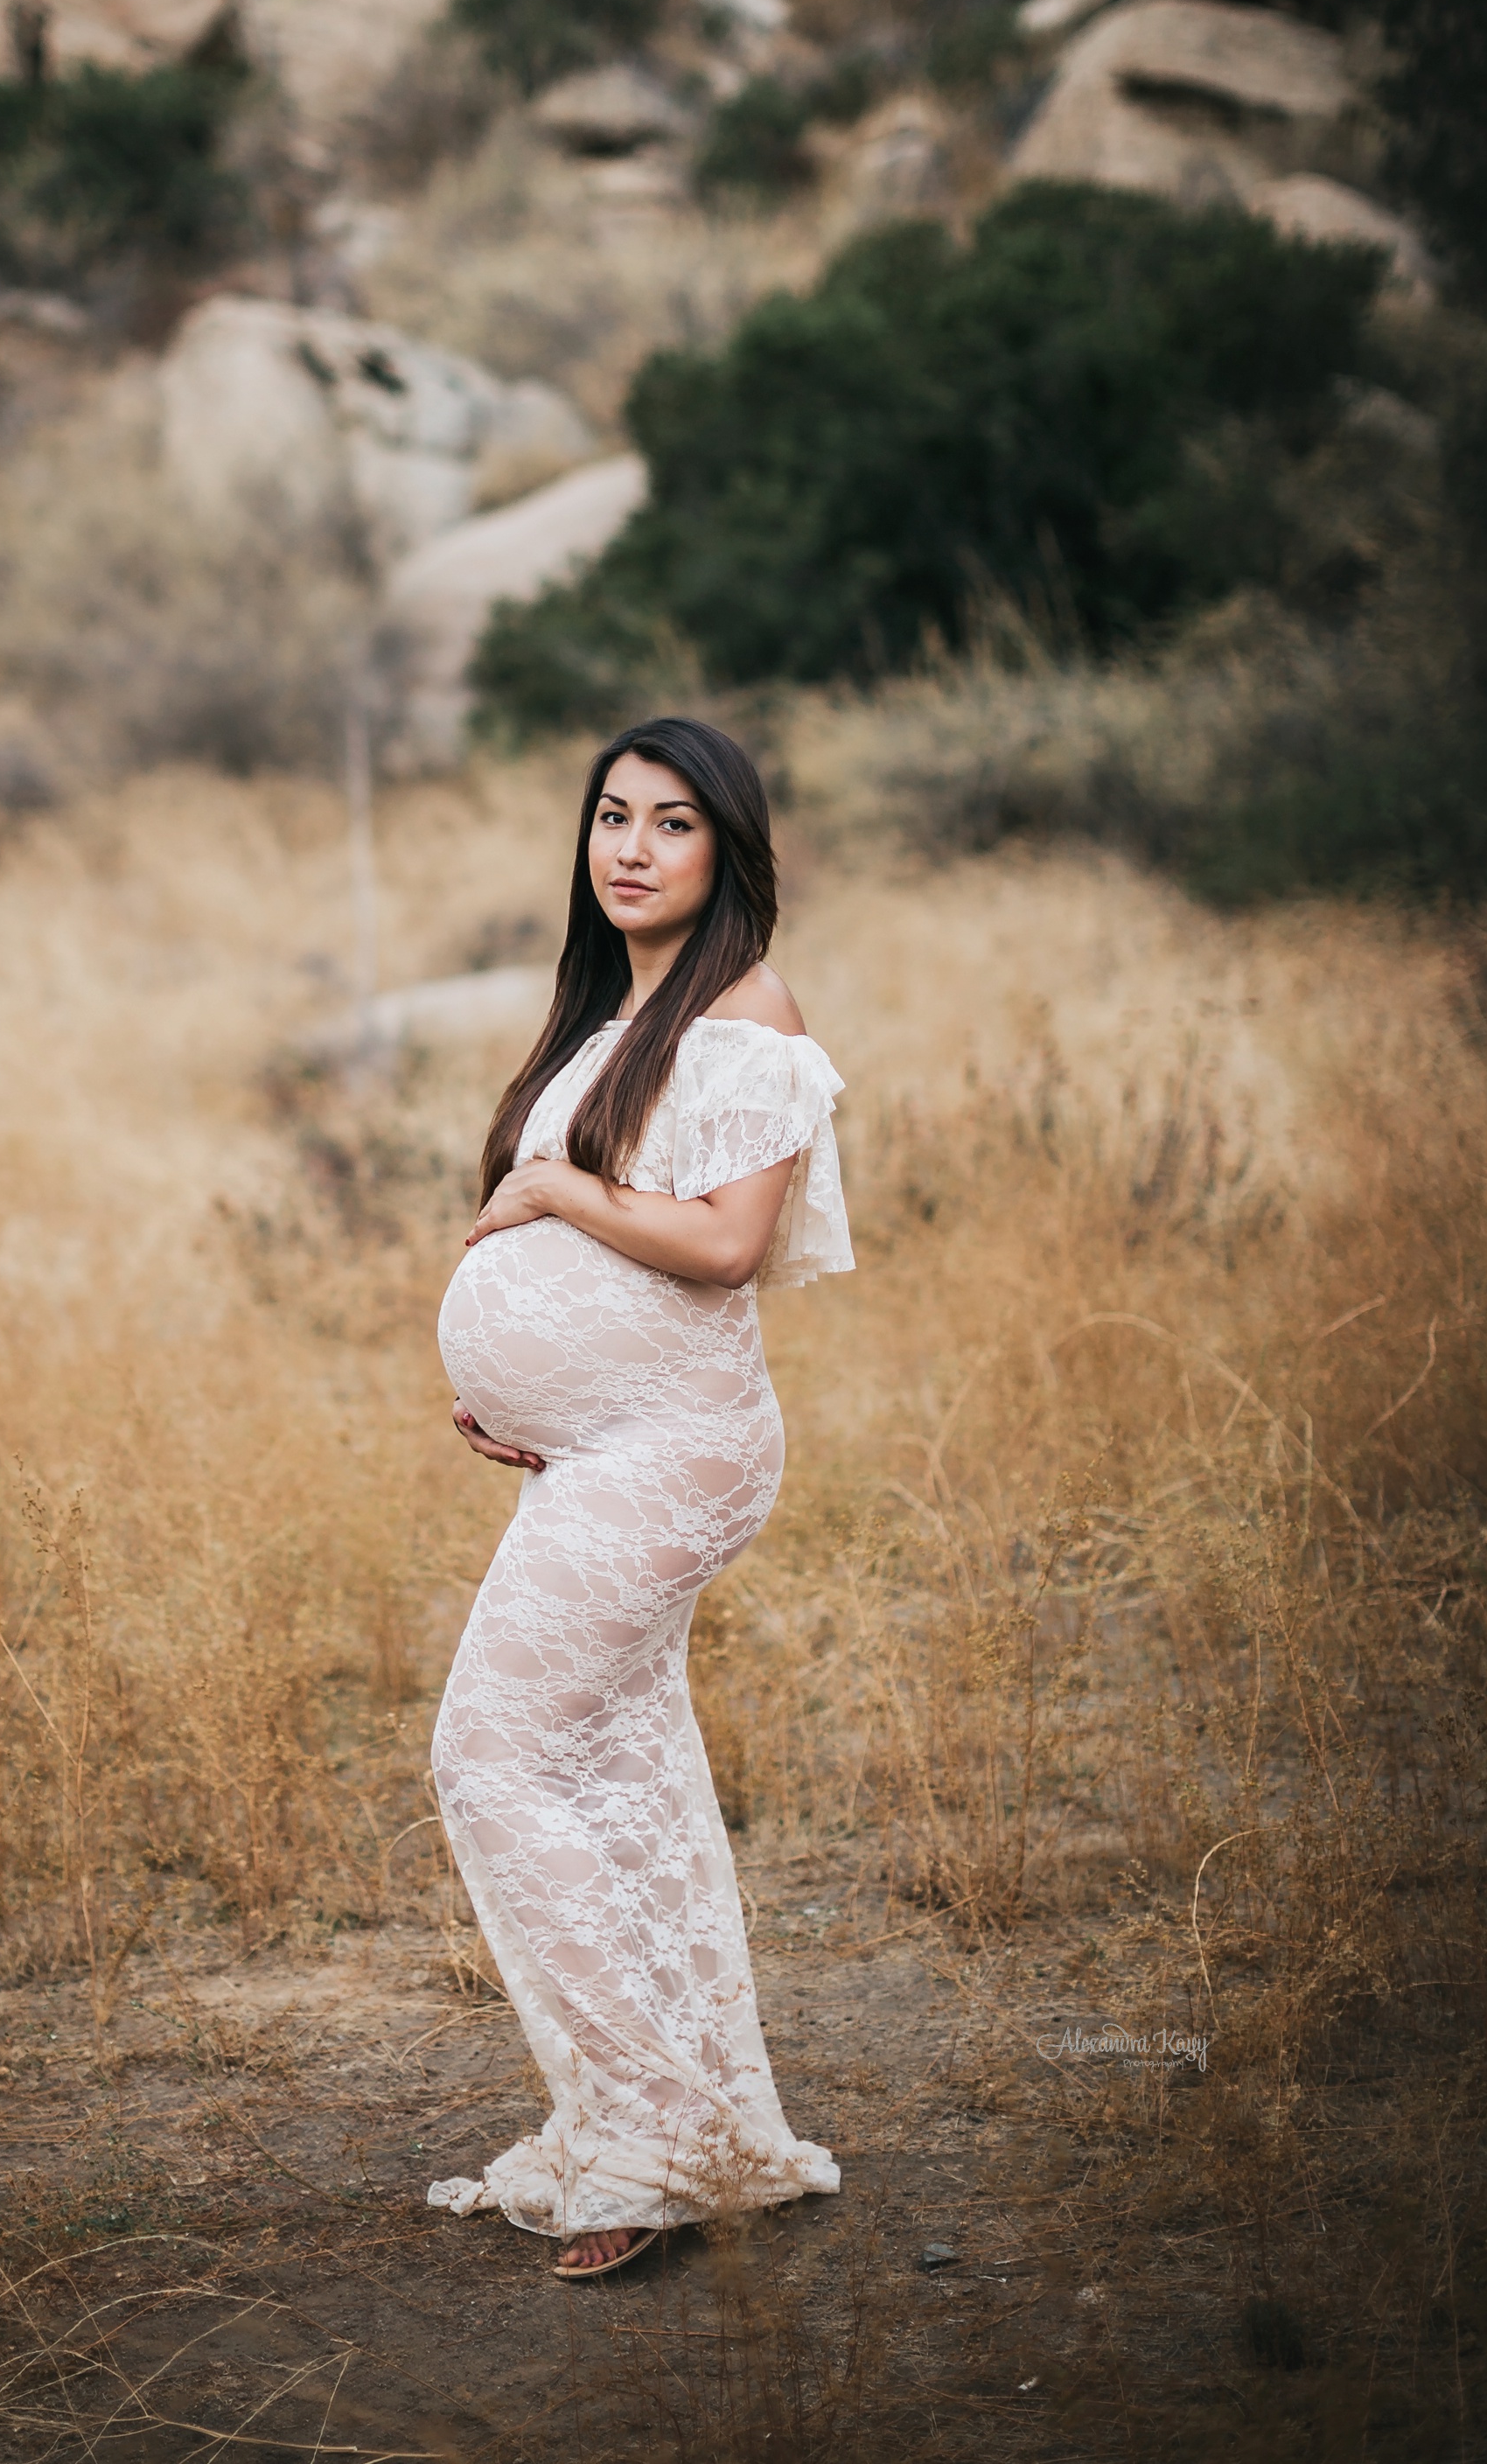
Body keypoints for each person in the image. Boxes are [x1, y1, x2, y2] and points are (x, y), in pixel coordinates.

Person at [427, 715, 852, 2280]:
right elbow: (627, 1266)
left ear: (727, 855)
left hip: (677, 1455)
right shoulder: (620, 1010)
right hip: (611, 1447)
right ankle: (709, 2124)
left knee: (490, 1753)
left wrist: (548, 1193)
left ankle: (656, 2138)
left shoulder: (747, 1007)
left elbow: (728, 1243)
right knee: (618, 1774)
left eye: (672, 825)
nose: (629, 848)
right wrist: (532, 1393)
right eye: (612, 816)